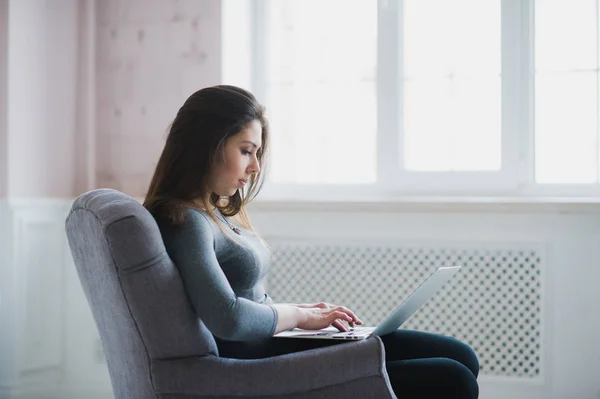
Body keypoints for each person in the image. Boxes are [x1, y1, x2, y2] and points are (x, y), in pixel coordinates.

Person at [143, 85, 479, 398]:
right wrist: (301, 318)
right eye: (246, 151)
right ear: (207, 145)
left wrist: (309, 313)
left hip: (277, 343)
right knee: (453, 377)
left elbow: (249, 301)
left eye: (257, 153)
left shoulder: (211, 212)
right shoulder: (184, 220)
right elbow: (228, 318)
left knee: (461, 356)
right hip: (261, 364)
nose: (256, 167)